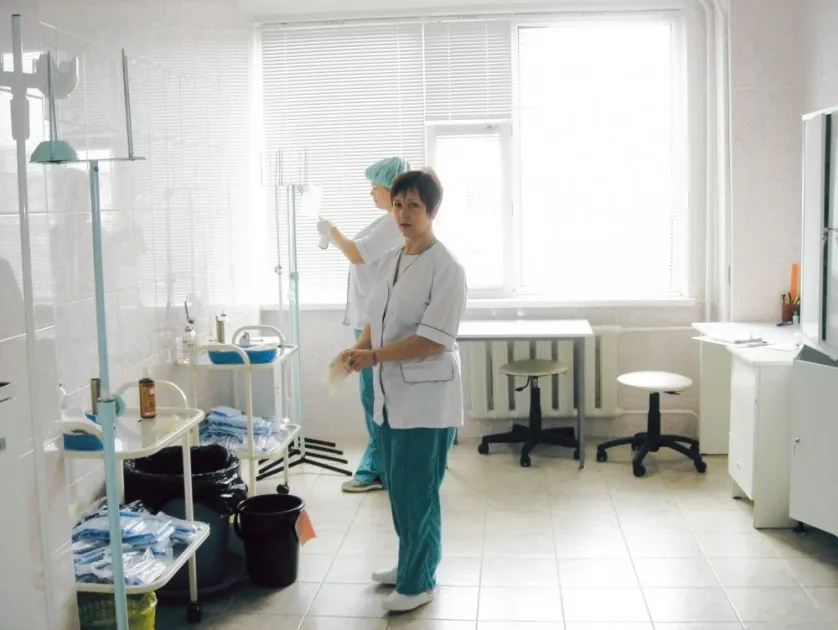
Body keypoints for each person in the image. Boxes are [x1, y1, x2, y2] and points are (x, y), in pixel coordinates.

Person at [335, 169, 468, 613]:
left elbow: (433, 340)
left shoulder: (446, 267)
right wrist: (358, 348)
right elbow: (375, 316)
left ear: (433, 210)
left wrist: (374, 357)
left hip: (426, 402)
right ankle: (410, 561)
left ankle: (419, 581)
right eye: (397, 205)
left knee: (418, 492)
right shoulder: (394, 258)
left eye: (413, 205)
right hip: (390, 398)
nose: (403, 214)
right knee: (399, 488)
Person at [317, 157, 411, 493]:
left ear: (392, 189)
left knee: (375, 398)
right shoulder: (385, 221)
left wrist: (331, 231)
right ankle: (384, 464)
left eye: (375, 188)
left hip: (376, 321)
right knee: (372, 396)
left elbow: (357, 254)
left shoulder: (393, 224)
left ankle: (377, 470)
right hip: (370, 319)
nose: (371, 193)